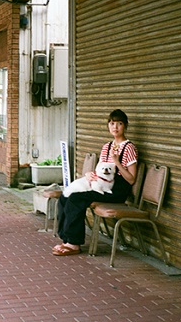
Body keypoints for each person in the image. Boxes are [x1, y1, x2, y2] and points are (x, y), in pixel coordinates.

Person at [52, 109, 138, 256]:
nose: (115, 127)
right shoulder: (107, 147)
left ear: (125, 126)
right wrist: (89, 174)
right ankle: (66, 239)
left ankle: (74, 243)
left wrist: (117, 162)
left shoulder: (129, 148)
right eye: (112, 123)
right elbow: (100, 169)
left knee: (76, 199)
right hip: (100, 185)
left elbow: (131, 179)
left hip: (115, 191)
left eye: (119, 123)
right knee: (65, 197)